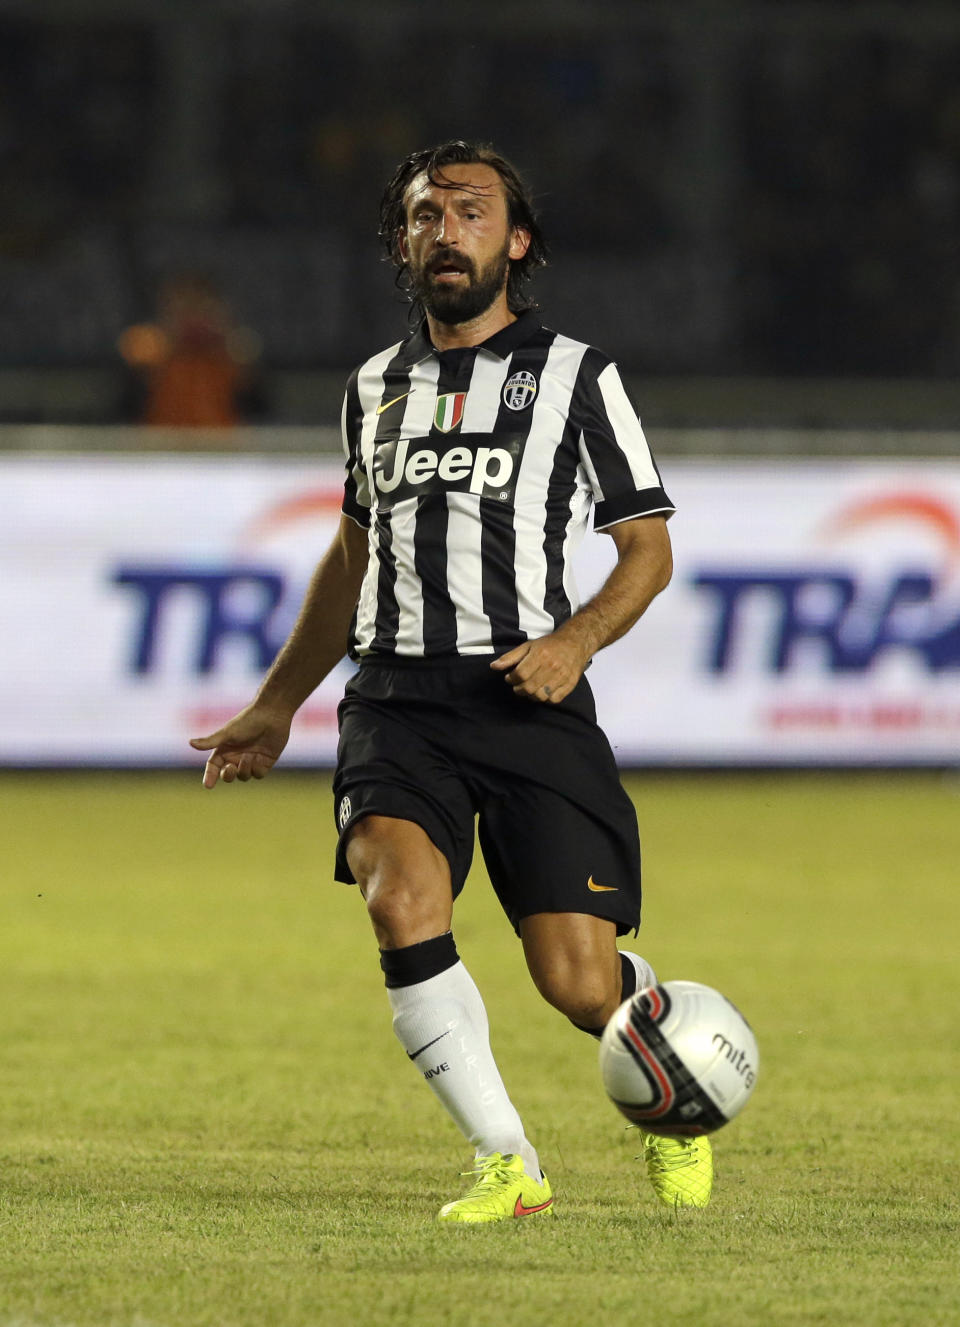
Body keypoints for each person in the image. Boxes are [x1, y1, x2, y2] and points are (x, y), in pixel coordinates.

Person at [190, 140, 712, 1223]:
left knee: (574, 980)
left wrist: (575, 642)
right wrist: (279, 702)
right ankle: (507, 1163)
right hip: (396, 701)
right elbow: (349, 557)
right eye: (426, 214)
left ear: (515, 242)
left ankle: (670, 1070)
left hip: (527, 695)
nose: (446, 230)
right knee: (398, 895)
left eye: (472, 212)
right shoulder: (373, 387)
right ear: (404, 242)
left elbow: (648, 551)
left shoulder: (578, 377)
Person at [117, 272, 265, 428]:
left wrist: (215, 338)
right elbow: (137, 364)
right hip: (161, 438)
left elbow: (249, 381)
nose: (191, 313)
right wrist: (177, 336)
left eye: (200, 305)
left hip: (220, 439)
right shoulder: (149, 341)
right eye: (183, 304)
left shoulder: (231, 347)